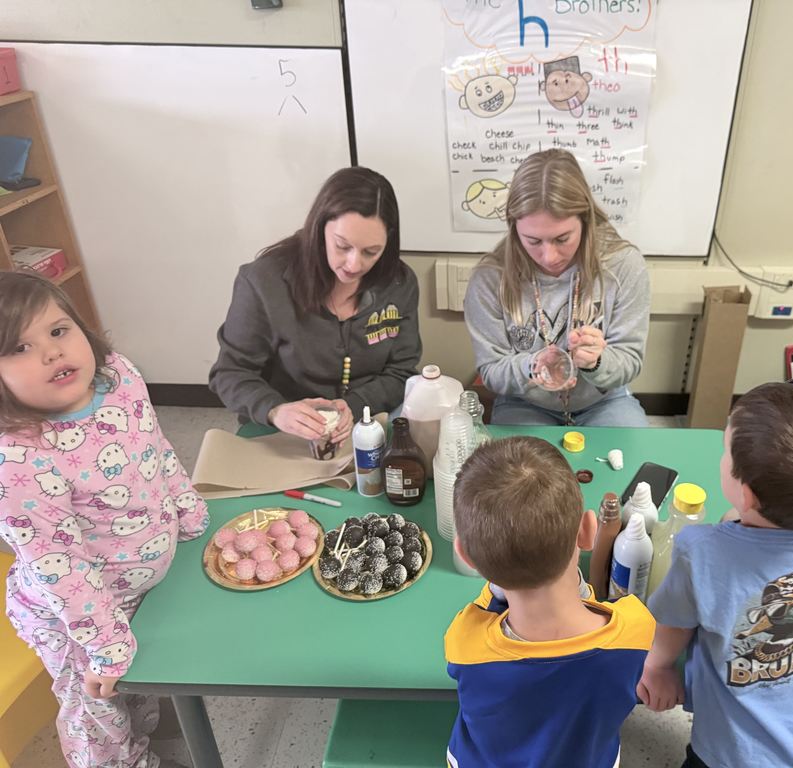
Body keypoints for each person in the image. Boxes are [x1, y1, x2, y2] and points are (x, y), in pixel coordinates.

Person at [0, 271, 207, 768]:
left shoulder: (118, 377)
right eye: (19, 348)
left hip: (140, 584)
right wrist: (106, 646)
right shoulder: (19, 459)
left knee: (136, 687)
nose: (51, 353)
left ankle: (146, 725)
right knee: (97, 708)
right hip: (78, 618)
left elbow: (155, 448)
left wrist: (185, 504)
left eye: (57, 330)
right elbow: (61, 568)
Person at [639, 383, 793, 768]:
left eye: (724, 450)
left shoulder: (702, 549)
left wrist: (658, 667)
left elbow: (671, 624)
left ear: (746, 494)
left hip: (733, 752)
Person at [445, 436, 655, 767]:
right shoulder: (637, 629)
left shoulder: (465, 643)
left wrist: (495, 589)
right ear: (588, 531)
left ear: (466, 557)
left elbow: (485, 613)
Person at [209, 166, 421, 443]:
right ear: (320, 229)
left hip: (368, 420)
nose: (354, 264)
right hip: (285, 429)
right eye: (342, 246)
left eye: (372, 252)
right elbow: (230, 373)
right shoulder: (264, 282)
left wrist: (355, 406)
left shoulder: (398, 283)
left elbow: (402, 371)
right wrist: (275, 410)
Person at [464, 149, 651, 427]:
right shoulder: (491, 278)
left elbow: (630, 360)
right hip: (524, 402)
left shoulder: (623, 265)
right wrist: (532, 365)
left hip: (604, 401)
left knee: (632, 463)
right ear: (514, 228)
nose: (549, 257)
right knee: (519, 470)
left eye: (562, 239)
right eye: (533, 241)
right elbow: (492, 370)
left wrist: (598, 362)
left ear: (585, 221)